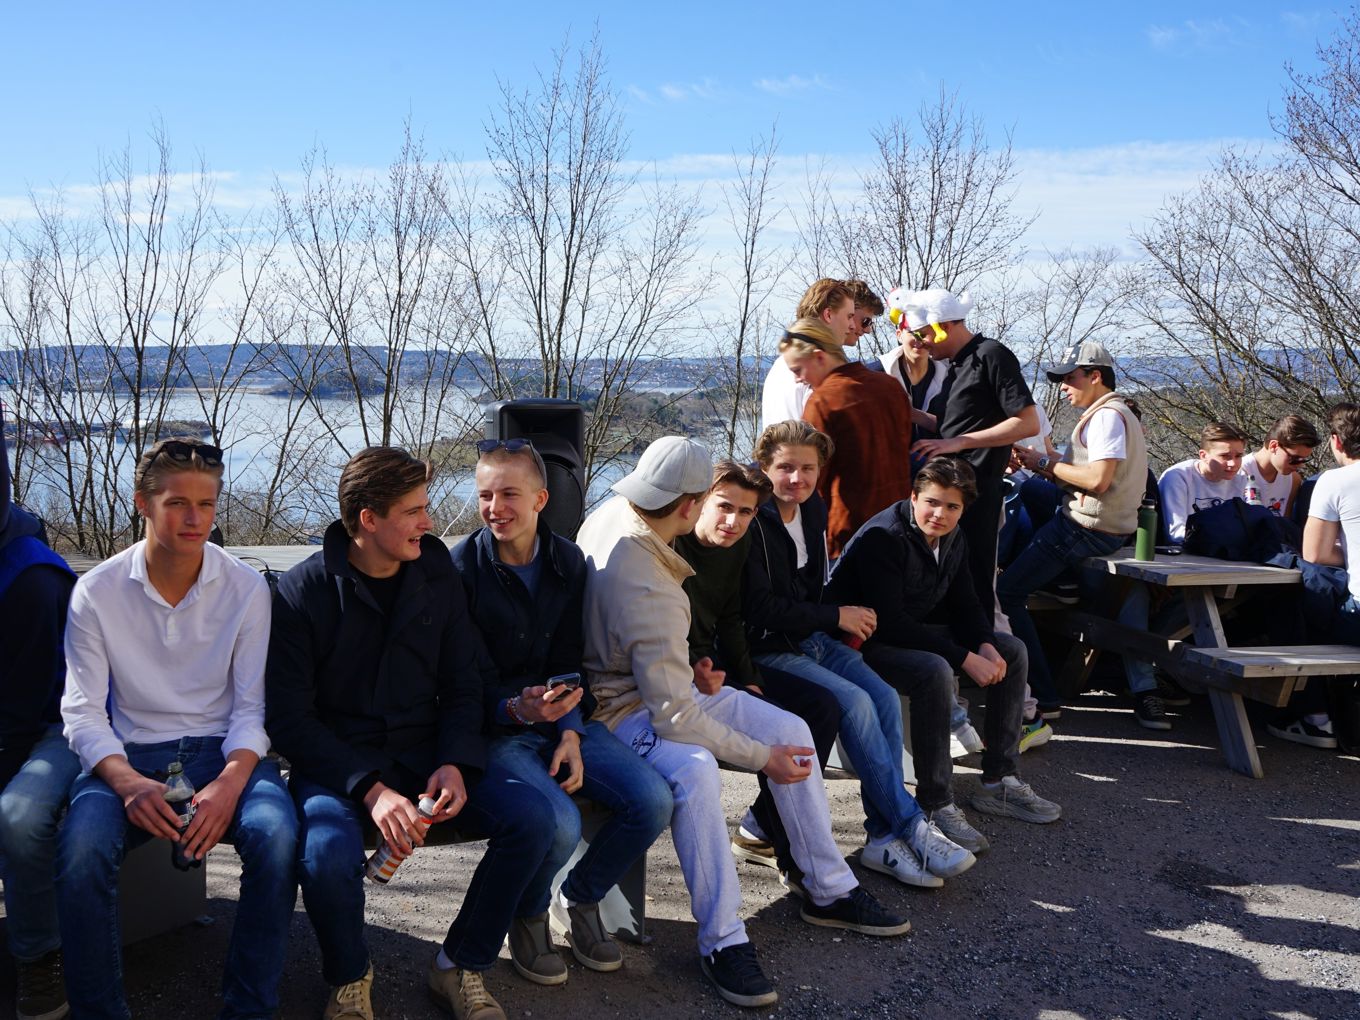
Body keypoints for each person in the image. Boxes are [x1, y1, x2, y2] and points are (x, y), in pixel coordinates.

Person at [575, 436, 910, 1010]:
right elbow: (674, 716)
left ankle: (826, 889)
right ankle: (722, 939)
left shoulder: (611, 509)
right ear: (690, 505)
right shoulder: (649, 579)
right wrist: (762, 762)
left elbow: (662, 656)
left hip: (658, 681)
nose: (726, 518)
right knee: (698, 769)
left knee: (794, 731)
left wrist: (695, 666)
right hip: (616, 710)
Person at [267, 446, 560, 1020]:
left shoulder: (435, 573)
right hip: (340, 764)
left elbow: (461, 684)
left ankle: (458, 965)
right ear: (368, 520)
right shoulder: (303, 592)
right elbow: (289, 721)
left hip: (425, 752)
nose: (429, 523)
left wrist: (455, 761)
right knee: (325, 852)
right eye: (413, 511)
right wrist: (371, 791)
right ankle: (350, 976)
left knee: (533, 820)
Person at [58, 437, 298, 1020]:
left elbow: (250, 709)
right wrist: (127, 783)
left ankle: (249, 1006)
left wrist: (230, 784)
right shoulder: (97, 591)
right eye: (176, 504)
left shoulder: (243, 587)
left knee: (277, 835)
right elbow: (83, 712)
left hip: (224, 753)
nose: (194, 519)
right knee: (82, 848)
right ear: (143, 503)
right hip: (130, 755)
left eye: (207, 504)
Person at [452, 438, 672, 979]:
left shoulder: (567, 561)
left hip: (562, 721)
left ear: (540, 500)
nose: (494, 508)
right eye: (485, 495)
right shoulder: (459, 569)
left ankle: (582, 897)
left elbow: (569, 658)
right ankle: (528, 916)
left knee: (652, 801)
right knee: (559, 821)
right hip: (498, 729)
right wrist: (515, 709)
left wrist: (571, 730)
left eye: (508, 493)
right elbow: (455, 680)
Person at [741, 421, 986, 862]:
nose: (798, 478)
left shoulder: (812, 508)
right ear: (764, 467)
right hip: (765, 647)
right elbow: (759, 608)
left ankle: (881, 836)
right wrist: (837, 615)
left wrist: (829, 619)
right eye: (786, 468)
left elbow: (811, 587)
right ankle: (906, 825)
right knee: (854, 702)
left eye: (808, 468)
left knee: (884, 699)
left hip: (810, 637)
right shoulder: (753, 519)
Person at [828, 457, 1062, 833]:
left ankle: (998, 781)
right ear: (913, 496)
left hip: (909, 631)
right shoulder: (883, 538)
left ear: (963, 509)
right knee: (933, 669)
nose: (939, 514)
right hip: (859, 643)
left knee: (1011, 650)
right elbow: (889, 622)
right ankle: (935, 802)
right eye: (931, 502)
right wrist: (963, 657)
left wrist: (984, 645)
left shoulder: (953, 537)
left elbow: (965, 603)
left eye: (951, 507)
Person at [672, 460, 848, 891]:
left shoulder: (737, 545)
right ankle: (787, 854)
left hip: (716, 667)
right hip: (674, 678)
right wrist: (697, 668)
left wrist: (748, 679)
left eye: (746, 512)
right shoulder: (671, 545)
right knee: (778, 732)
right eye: (724, 507)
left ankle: (766, 830)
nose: (733, 522)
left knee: (820, 707)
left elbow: (731, 616)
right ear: (698, 502)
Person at [997, 341, 1154, 725]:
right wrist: (1036, 464)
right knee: (1027, 489)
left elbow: (1098, 481)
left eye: (1070, 378)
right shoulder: (1116, 413)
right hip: (1104, 525)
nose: (1063, 387)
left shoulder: (1105, 419)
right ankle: (1059, 579)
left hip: (1085, 528)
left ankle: (1043, 696)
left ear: (1095, 376)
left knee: (1007, 593)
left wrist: (1046, 460)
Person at [0, 409, 81, 1020]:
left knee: (20, 816)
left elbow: (23, 712)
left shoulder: (29, 575)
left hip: (54, 722)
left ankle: (37, 959)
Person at [897, 288, 1041, 614]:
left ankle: (982, 651)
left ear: (943, 326)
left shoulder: (992, 355)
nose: (922, 344)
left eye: (924, 335)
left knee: (972, 582)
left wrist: (958, 443)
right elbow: (955, 424)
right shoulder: (957, 364)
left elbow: (1027, 422)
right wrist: (912, 414)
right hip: (950, 493)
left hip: (977, 494)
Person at [779, 319, 914, 558]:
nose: (798, 379)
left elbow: (811, 476)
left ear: (820, 357)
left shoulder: (823, 402)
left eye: (798, 370)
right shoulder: (890, 385)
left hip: (851, 532)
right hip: (900, 522)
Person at [1277, 403, 1360, 749]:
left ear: (1335, 443)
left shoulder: (1335, 481)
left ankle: (1316, 719)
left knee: (1298, 613)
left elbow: (1315, 553)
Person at [759, 279, 876, 430]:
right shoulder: (816, 367)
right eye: (849, 316)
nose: (852, 325)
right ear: (828, 315)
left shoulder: (781, 365)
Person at [1157, 422, 1249, 544]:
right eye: (1225, 456)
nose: (1233, 463)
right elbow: (1176, 533)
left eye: (1238, 456)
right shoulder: (1178, 477)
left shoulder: (1242, 478)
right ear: (1203, 455)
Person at [1240, 415, 1319, 519]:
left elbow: (1285, 524)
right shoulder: (1239, 473)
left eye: (1304, 460)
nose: (1300, 465)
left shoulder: (1294, 480)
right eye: (1295, 459)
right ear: (1274, 446)